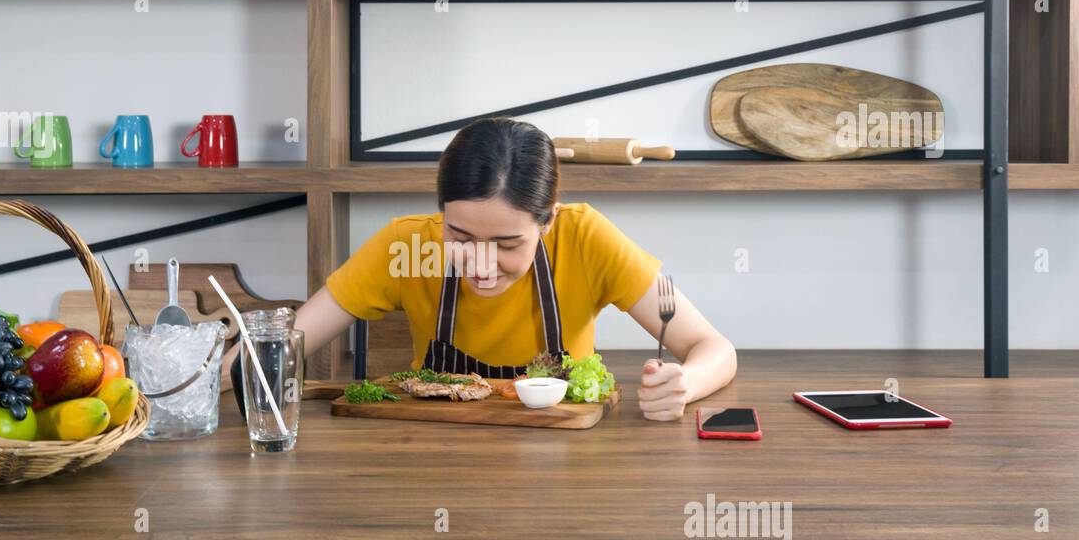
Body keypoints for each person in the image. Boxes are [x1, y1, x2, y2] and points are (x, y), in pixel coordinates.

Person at [238, 117, 737, 420]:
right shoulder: (405, 245)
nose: (481, 263)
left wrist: (684, 385)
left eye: (506, 243)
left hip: (565, 464)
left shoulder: (587, 237)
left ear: (549, 219)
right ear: (442, 214)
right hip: (432, 459)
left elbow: (714, 348)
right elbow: (276, 347)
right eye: (459, 237)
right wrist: (191, 382)